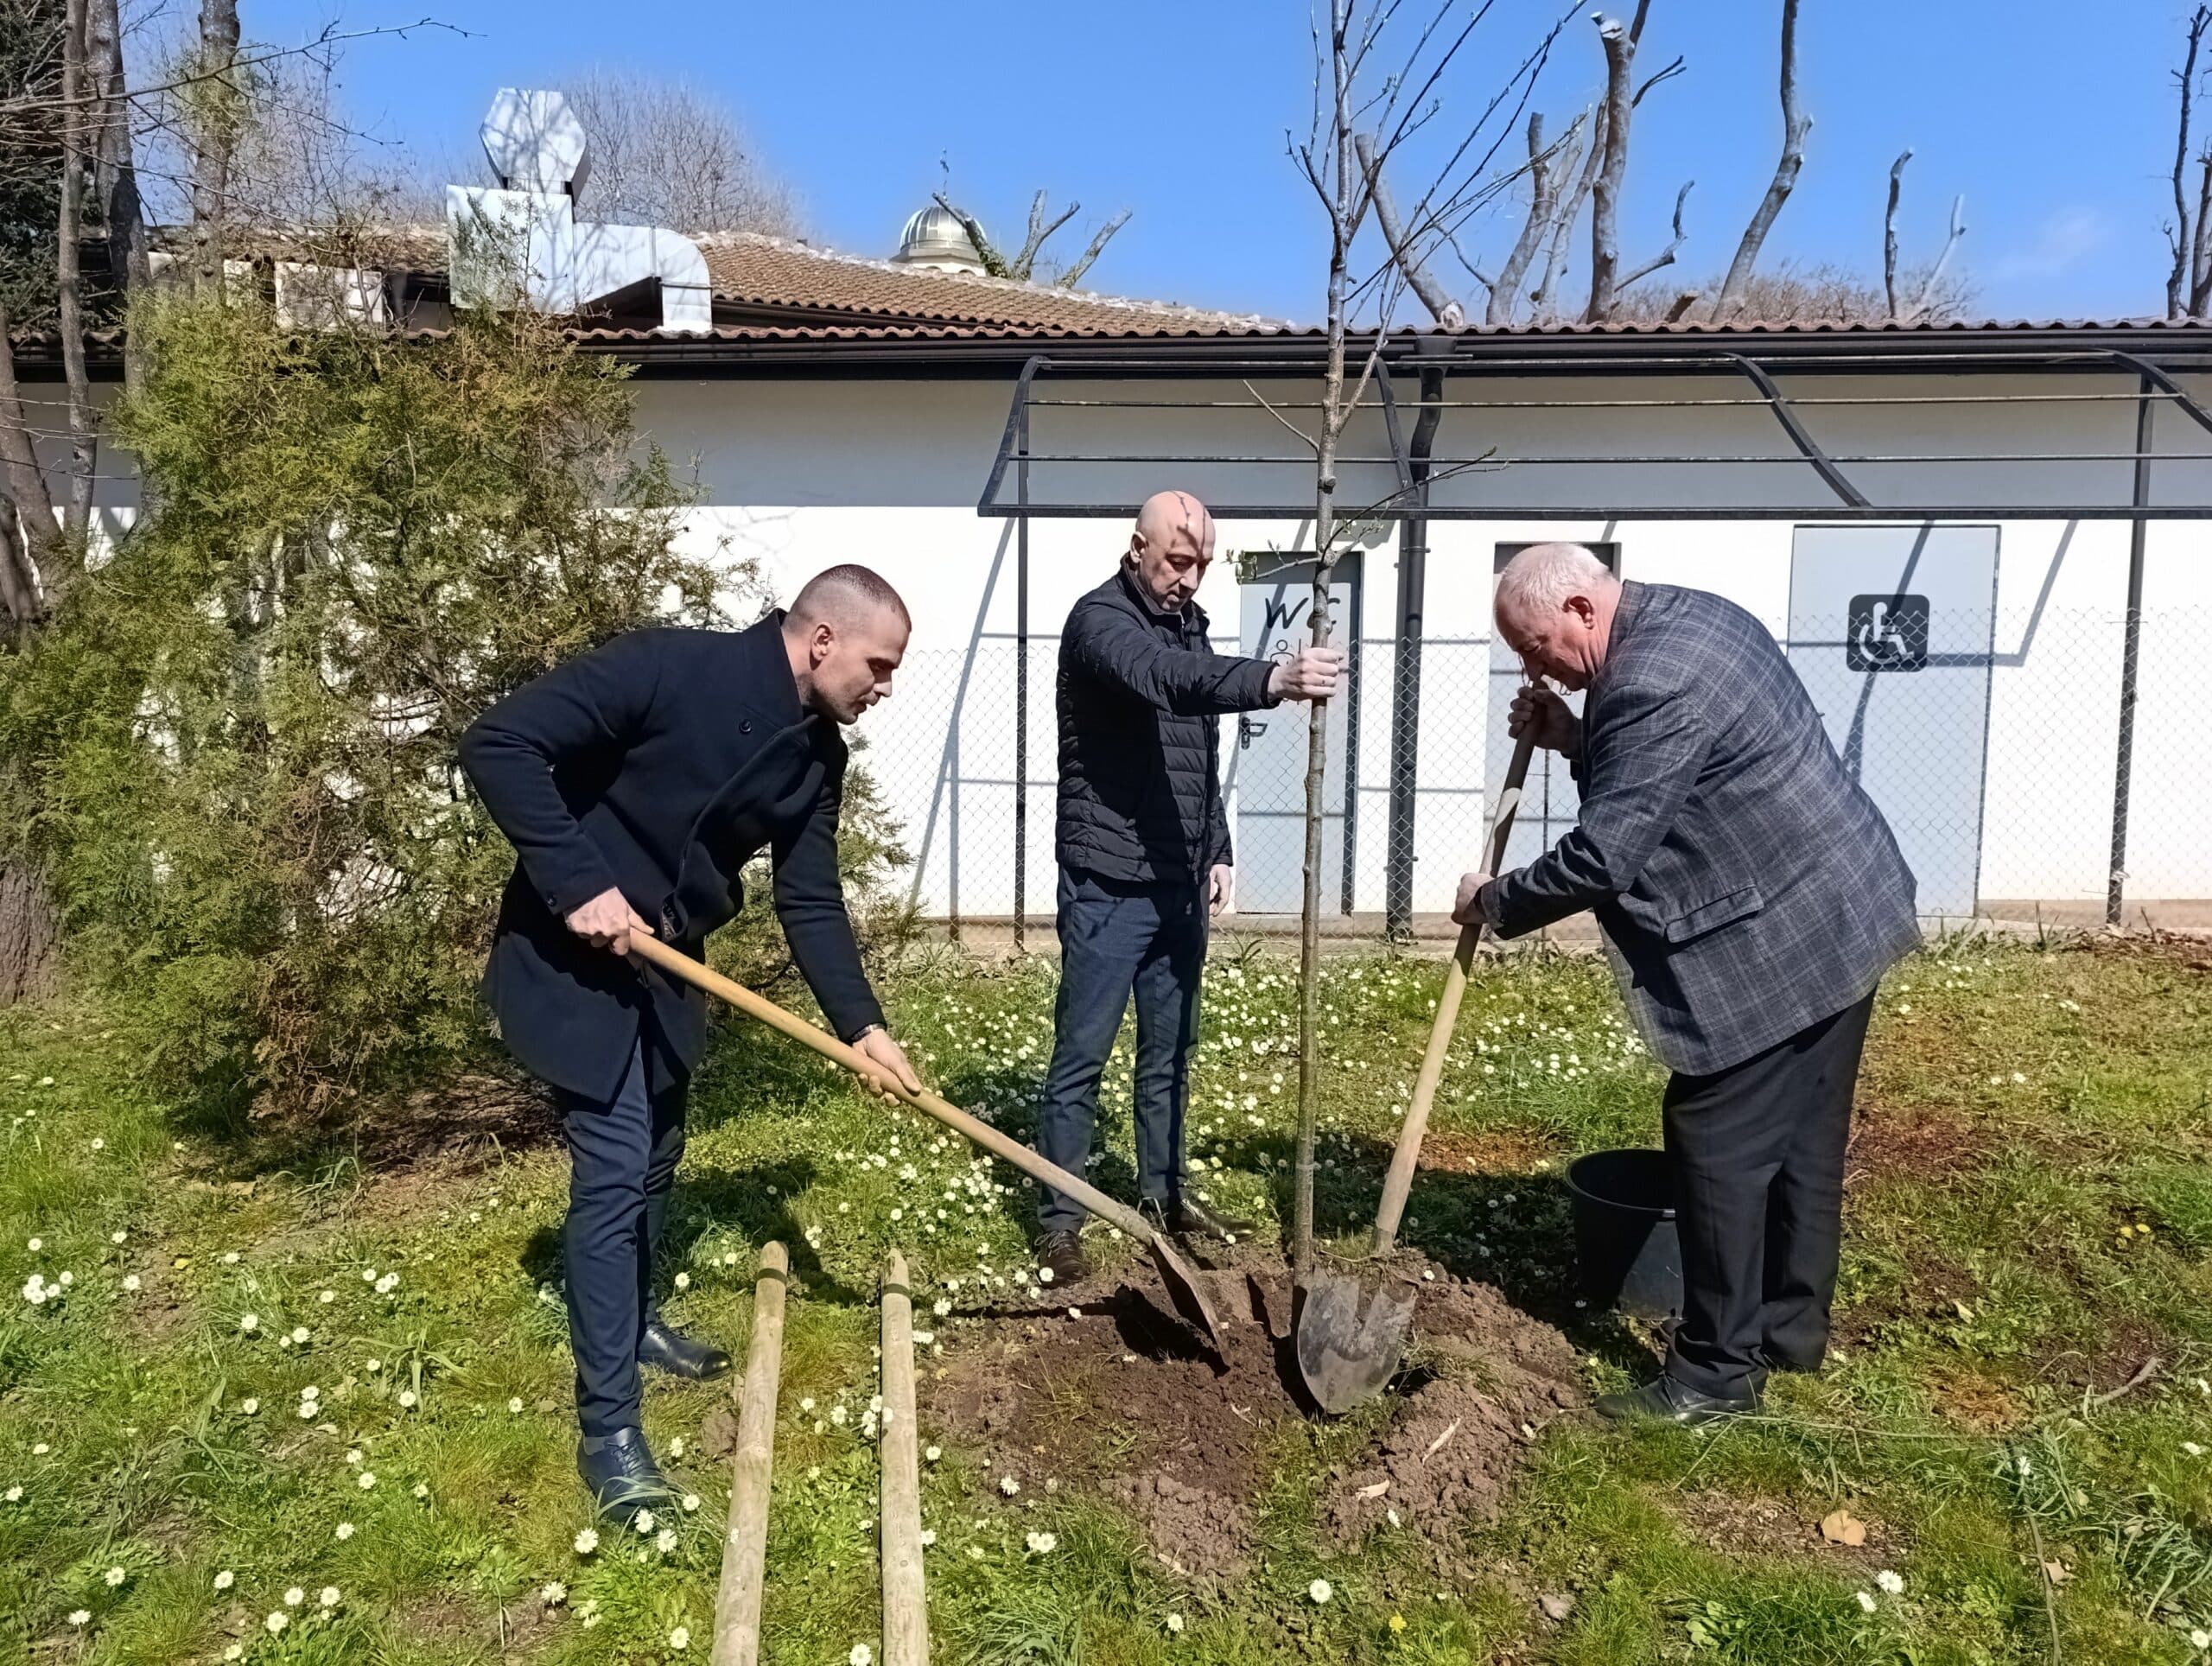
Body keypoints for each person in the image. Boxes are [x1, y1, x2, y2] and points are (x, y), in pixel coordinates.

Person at [460, 567, 922, 1515]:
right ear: (823, 639)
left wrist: (863, 1027)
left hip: (668, 959)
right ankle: (610, 1434)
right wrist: (577, 880)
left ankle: (627, 1322)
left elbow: (812, 899)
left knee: (663, 1149)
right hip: (570, 950)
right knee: (616, 1165)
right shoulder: (667, 665)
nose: (885, 685)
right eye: (879, 664)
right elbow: (498, 741)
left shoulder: (815, 761)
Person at [1455, 543, 1918, 1426]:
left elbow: (1605, 853)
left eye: (1537, 644)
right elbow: (1672, 771)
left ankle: (1714, 1373)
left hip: (1778, 937)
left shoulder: (1647, 679)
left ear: (1583, 612)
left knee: (1716, 1136)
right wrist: (1576, 737)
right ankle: (1788, 1328)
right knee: (1804, 1136)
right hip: (1843, 905)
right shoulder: (1691, 616)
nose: (1533, 665)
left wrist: (1495, 901)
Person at [1033, 489, 1345, 1282]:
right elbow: (1168, 682)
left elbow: (1195, 754)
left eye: (1203, 563)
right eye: (1179, 560)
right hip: (1108, 880)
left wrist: (1218, 844)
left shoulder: (1190, 622)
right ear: (1136, 547)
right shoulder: (1098, 624)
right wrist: (1272, 678)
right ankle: (1059, 1220)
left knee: (1169, 1051)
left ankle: (1166, 1193)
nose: (1192, 577)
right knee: (1082, 1055)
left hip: (1177, 878)